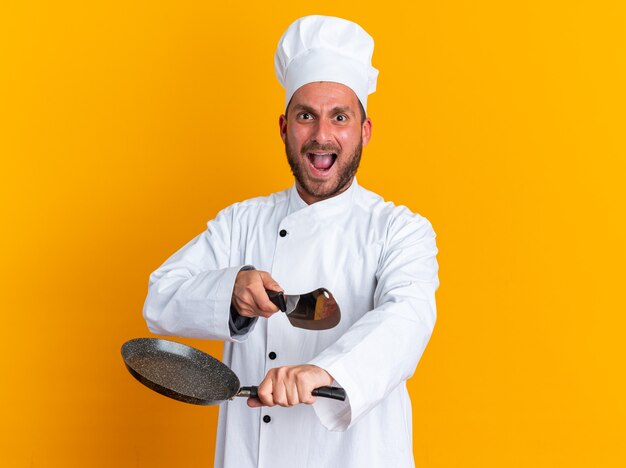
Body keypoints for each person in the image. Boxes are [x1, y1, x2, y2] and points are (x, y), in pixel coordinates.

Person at [143, 15, 439, 468]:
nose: (322, 136)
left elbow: (408, 318)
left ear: (365, 130)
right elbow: (159, 297)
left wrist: (325, 371)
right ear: (284, 127)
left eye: (340, 117)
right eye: (306, 116)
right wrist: (232, 291)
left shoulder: (399, 229)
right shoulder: (240, 222)